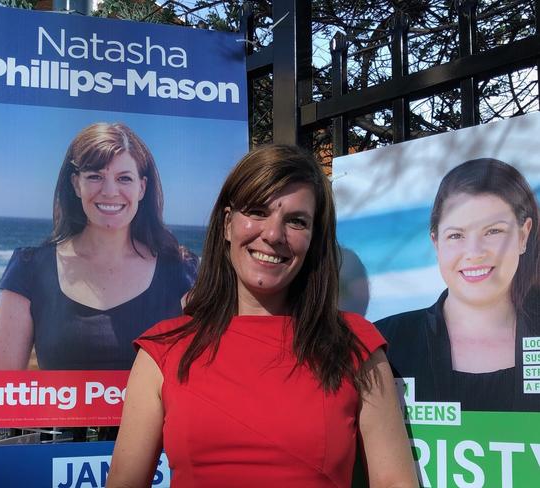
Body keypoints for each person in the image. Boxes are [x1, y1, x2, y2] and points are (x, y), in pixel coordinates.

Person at [107, 145, 417, 487]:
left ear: (314, 241)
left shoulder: (355, 345)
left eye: (296, 221)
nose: (272, 234)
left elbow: (395, 482)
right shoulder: (163, 351)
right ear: (227, 225)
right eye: (256, 211)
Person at [0, 123, 197, 370]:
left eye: (124, 178)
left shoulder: (181, 271)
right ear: (76, 184)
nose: (110, 192)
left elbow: (198, 380)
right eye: (95, 176)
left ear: (142, 187)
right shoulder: (29, 269)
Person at [377, 158, 540, 411]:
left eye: (493, 231)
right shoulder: (386, 341)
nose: (474, 252)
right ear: (436, 243)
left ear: (523, 235)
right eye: (456, 235)